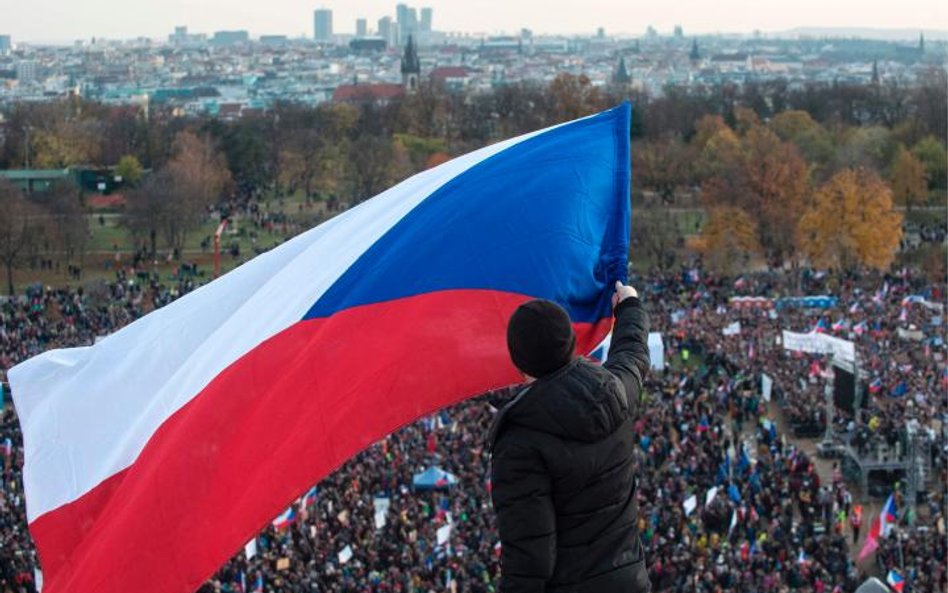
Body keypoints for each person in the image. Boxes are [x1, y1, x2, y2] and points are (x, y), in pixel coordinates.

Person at [489, 281, 651, 593]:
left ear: (518, 360)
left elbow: (530, 557)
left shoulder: (520, 443)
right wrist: (630, 306)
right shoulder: (615, 390)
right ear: (569, 342)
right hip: (628, 580)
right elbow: (633, 353)